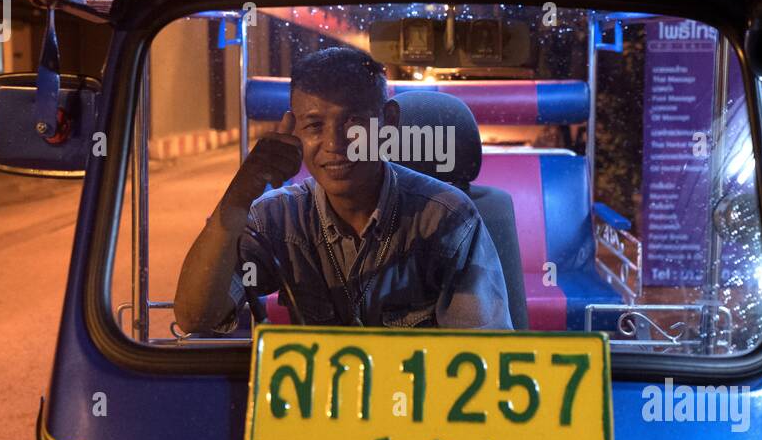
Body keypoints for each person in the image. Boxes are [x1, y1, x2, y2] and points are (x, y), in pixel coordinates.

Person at [173, 45, 512, 333]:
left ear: (388, 123)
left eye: (354, 122)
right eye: (314, 125)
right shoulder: (276, 218)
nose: (335, 143)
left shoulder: (445, 218)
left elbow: (482, 355)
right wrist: (237, 198)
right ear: (294, 131)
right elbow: (195, 317)